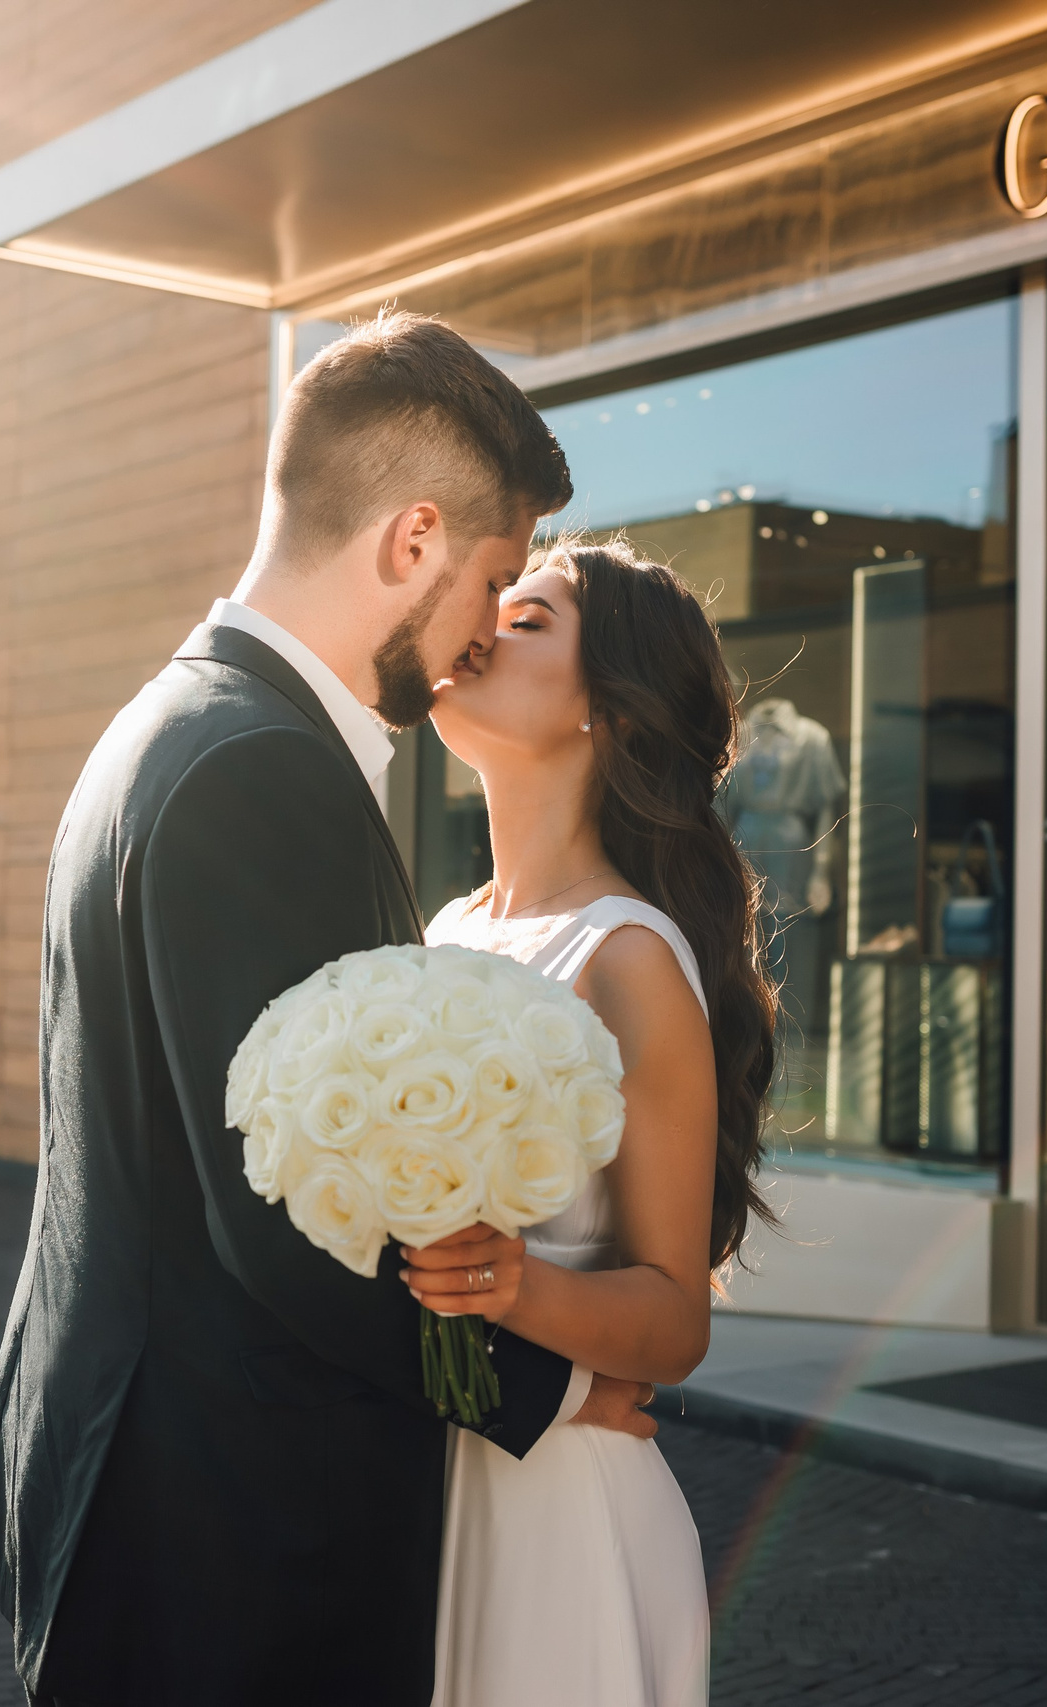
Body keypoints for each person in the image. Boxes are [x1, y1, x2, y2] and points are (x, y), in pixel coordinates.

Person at [0, 312, 662, 1707]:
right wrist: (552, 1395)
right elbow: (287, 1223)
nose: (476, 638)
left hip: (146, 1498)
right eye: (492, 578)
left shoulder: (165, 723)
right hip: (231, 1544)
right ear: (410, 541)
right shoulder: (265, 769)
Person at [408, 536, 779, 1707]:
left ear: (607, 713)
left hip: (561, 1524)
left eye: (528, 619)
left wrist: (509, 1287)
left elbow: (673, 1322)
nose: (480, 627)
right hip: (433, 1479)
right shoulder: (444, 928)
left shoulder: (626, 961)